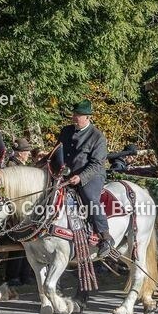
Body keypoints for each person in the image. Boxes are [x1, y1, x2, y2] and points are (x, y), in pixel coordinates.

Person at [57, 99, 113, 257]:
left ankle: (105, 237)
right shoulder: (65, 131)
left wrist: (80, 177)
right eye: (74, 114)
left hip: (91, 175)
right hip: (65, 174)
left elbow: (96, 164)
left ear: (88, 117)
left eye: (78, 115)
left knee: (90, 198)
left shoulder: (98, 137)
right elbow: (57, 152)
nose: (74, 117)